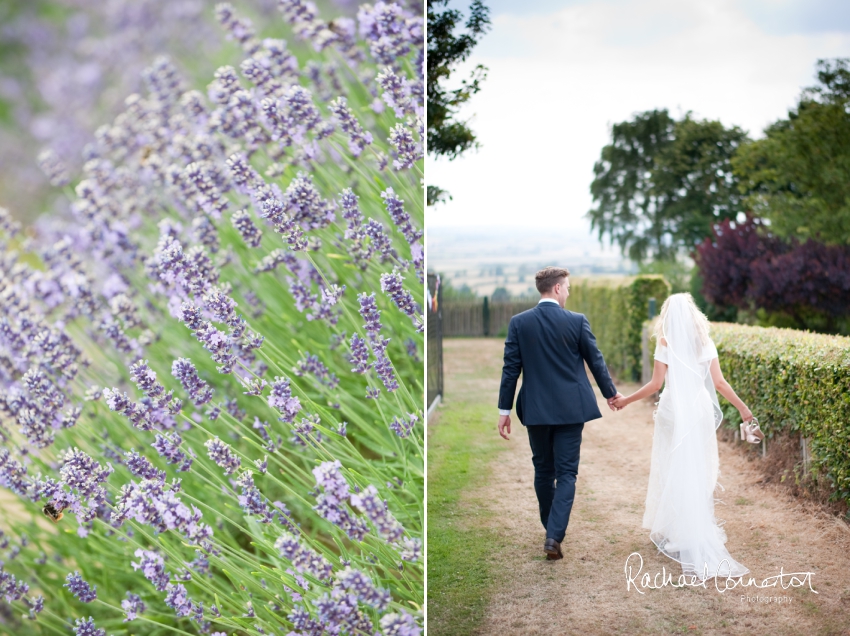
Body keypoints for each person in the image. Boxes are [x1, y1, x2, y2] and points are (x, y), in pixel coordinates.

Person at [613, 292, 753, 580]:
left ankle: (679, 529)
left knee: (673, 466)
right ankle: (694, 527)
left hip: (673, 411)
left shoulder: (666, 343)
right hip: (699, 409)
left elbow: (655, 384)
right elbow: (719, 383)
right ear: (692, 315)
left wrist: (626, 400)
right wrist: (742, 407)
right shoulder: (705, 342)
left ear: (667, 317)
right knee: (696, 466)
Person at [497, 266, 622, 561]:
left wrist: (504, 410)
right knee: (566, 473)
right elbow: (596, 361)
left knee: (543, 470)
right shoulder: (577, 321)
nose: (567, 292)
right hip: (571, 409)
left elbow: (510, 370)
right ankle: (554, 535)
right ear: (556, 288)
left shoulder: (519, 323)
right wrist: (610, 394)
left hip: (536, 409)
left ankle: (551, 532)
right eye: (566, 288)